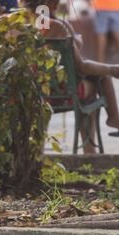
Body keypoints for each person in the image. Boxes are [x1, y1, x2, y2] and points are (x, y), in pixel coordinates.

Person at [23, 0, 119, 149]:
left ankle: (113, 119)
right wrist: (112, 69)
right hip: (57, 93)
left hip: (28, 91)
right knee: (96, 82)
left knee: (97, 75)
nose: (57, 4)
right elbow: (82, 66)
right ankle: (92, 148)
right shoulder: (57, 26)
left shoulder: (15, 22)